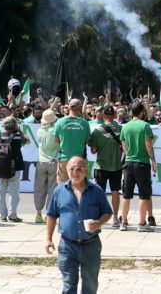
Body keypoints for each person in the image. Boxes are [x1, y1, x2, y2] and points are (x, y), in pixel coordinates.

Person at [45, 156, 113, 294]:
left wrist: (99, 223)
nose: (75, 173)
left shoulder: (96, 191)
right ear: (67, 170)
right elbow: (51, 215)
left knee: (90, 285)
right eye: (72, 169)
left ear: (86, 171)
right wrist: (48, 239)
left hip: (91, 245)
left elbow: (107, 212)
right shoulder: (59, 191)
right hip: (67, 246)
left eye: (79, 169)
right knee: (69, 285)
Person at [119, 102, 155, 232]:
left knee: (126, 194)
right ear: (141, 112)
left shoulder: (125, 127)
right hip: (142, 162)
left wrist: (130, 155)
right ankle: (141, 223)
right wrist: (153, 160)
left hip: (128, 162)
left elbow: (124, 146)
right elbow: (149, 145)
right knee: (144, 195)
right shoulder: (145, 125)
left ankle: (123, 222)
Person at [89, 106, 123, 228]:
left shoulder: (98, 131)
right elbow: (124, 147)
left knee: (99, 192)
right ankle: (115, 217)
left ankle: (99, 217)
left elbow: (93, 151)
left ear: (103, 115)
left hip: (101, 165)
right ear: (114, 115)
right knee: (115, 191)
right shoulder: (121, 129)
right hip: (116, 165)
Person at [0, 116, 29, 222]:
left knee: (1, 194)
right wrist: (19, 129)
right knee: (14, 194)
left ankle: (2, 216)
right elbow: (27, 141)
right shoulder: (17, 137)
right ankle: (12, 215)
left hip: (0, 167)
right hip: (14, 167)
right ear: (15, 125)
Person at [53, 98, 92, 184]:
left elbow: (56, 141)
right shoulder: (85, 123)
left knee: (63, 187)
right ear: (80, 108)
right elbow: (87, 141)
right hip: (80, 159)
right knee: (80, 187)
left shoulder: (60, 122)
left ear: (69, 107)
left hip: (65, 158)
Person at [34, 109, 59, 224]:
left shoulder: (39, 131)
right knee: (52, 189)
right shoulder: (55, 130)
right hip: (53, 161)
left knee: (39, 188)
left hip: (41, 161)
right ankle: (49, 214)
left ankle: (38, 213)